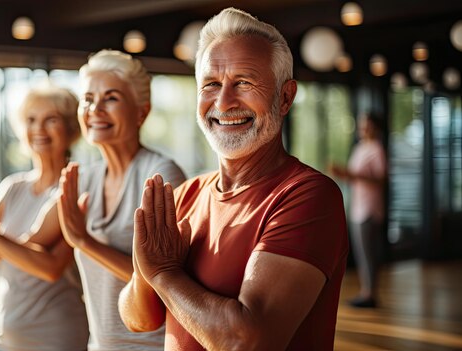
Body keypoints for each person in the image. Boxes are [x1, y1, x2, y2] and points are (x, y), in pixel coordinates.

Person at [119, 7, 349, 351]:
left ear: (285, 97)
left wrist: (164, 273)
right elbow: (138, 319)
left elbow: (247, 342)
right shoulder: (186, 196)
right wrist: (145, 269)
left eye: (243, 82)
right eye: (211, 84)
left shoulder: (309, 195)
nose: (224, 103)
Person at [56, 49, 187, 351]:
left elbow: (166, 277)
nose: (95, 109)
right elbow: (34, 241)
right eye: (88, 99)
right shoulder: (85, 178)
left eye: (111, 98)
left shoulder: (159, 174)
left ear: (142, 111)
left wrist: (84, 241)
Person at [0, 86, 89, 351]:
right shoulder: (11, 187)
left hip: (57, 335)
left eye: (51, 119)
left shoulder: (75, 189)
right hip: (5, 332)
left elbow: (49, 268)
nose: (39, 129)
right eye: (31, 120)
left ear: (71, 129)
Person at [330, 113, 387, 308]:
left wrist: (351, 174)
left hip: (370, 209)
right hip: (357, 207)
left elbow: (381, 179)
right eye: (362, 124)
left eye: (367, 125)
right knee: (362, 253)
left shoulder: (376, 149)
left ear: (375, 128)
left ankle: (370, 293)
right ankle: (366, 291)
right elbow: (355, 177)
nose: (363, 128)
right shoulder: (360, 148)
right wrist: (344, 174)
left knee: (369, 253)